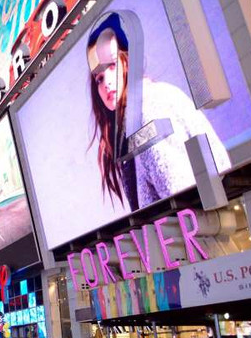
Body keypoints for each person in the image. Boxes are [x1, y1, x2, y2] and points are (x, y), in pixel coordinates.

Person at [86, 13, 229, 213]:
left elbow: (179, 194)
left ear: (129, 59)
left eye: (111, 65)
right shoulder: (142, 107)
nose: (107, 82)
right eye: (99, 78)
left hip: (204, 230)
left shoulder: (147, 110)